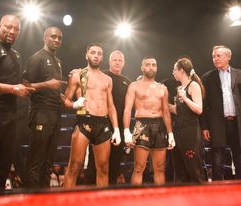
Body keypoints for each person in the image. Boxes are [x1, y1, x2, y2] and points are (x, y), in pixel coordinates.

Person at [0, 15, 35, 191]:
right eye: (8, 27)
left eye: (16, 29)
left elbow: (17, 83)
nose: (12, 31)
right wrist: (14, 89)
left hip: (11, 116)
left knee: (3, 167)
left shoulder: (16, 54)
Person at [63, 42, 121, 189]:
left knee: (103, 168)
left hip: (103, 124)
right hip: (84, 122)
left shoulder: (108, 79)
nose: (96, 56)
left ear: (102, 57)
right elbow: (66, 100)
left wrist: (117, 129)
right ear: (87, 55)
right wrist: (75, 104)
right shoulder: (78, 75)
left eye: (99, 53)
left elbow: (111, 106)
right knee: (74, 166)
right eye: (93, 52)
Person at [22, 26, 64, 188]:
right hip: (40, 112)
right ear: (45, 38)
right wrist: (46, 84)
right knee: (35, 160)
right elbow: (24, 85)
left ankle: (45, 199)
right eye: (53, 36)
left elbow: (54, 88)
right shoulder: (37, 58)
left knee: (48, 162)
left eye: (60, 38)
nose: (57, 40)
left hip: (55, 113)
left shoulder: (58, 62)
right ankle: (31, 199)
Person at [123, 56, 175, 185]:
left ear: (156, 67)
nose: (150, 67)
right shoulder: (134, 86)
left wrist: (170, 133)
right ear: (142, 67)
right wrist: (126, 131)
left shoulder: (162, 88)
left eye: (153, 65)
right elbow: (127, 110)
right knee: (139, 168)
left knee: (160, 168)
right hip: (141, 125)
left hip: (160, 126)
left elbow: (166, 112)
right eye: (147, 64)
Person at [84, 50, 131, 185]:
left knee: (115, 163)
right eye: (114, 60)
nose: (117, 62)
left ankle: (110, 196)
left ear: (124, 63)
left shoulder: (127, 82)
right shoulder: (100, 75)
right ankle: (91, 196)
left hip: (119, 126)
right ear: (109, 61)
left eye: (120, 60)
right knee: (94, 163)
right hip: (99, 123)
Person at [201, 45, 241, 180]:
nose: (215, 59)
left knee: (240, 159)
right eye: (213, 56)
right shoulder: (207, 77)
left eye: (218, 55)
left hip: (237, 123)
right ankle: (217, 196)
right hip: (217, 124)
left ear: (228, 57)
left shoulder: (240, 74)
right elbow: (204, 104)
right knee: (217, 161)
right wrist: (205, 126)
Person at [169, 58, 205, 183]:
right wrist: (162, 102)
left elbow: (199, 109)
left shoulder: (193, 85)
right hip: (178, 130)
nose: (172, 72)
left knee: (193, 167)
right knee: (179, 168)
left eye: (174, 69)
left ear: (181, 70)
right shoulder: (179, 88)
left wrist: (185, 97)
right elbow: (179, 110)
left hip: (190, 132)